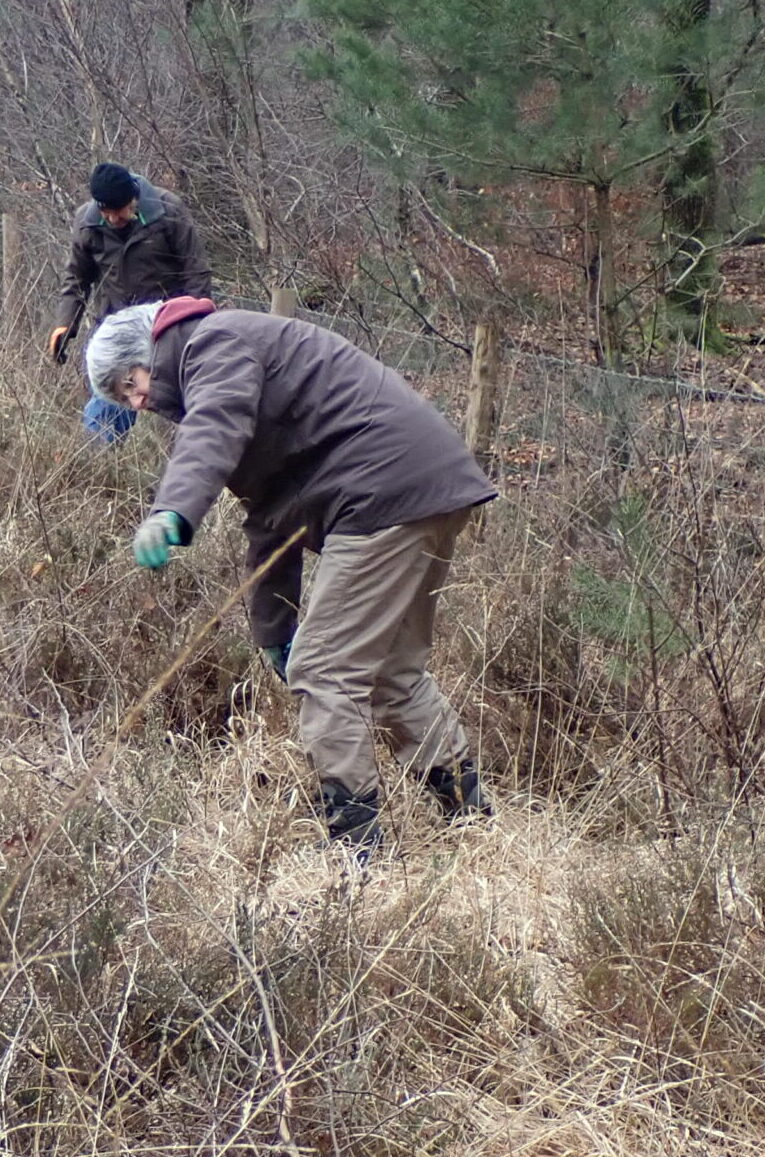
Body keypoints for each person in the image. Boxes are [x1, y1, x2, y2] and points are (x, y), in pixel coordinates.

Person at [87, 298, 499, 857]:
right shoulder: (224, 360)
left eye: (129, 385)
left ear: (148, 354)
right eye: (124, 400)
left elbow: (212, 428)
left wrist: (173, 509)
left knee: (326, 672)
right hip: (424, 486)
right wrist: (274, 631)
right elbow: (270, 518)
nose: (138, 402)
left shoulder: (215, 344)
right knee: (394, 673)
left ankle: (358, 855)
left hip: (382, 492)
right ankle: (473, 826)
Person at [51, 164, 212, 442]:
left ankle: (188, 461)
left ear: (133, 198)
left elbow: (196, 271)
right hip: (117, 332)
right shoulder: (87, 223)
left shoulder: (168, 211)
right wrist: (65, 325)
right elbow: (77, 278)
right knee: (108, 406)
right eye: (106, 212)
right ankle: (101, 466)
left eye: (120, 210)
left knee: (185, 410)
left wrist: (197, 326)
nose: (113, 218)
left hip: (166, 331)